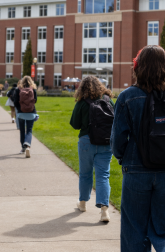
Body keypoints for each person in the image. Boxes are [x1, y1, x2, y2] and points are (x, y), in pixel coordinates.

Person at [111, 45, 165, 252]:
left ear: (137, 67)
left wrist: (125, 157)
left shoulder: (127, 97)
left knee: (134, 230)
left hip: (136, 170)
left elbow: (117, 142)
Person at [70, 76, 115, 222]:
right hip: (106, 142)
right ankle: (104, 211)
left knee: (85, 174)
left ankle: (82, 203)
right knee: (103, 176)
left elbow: (75, 124)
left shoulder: (82, 103)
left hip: (86, 142)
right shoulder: (108, 100)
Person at [13, 76, 37, 158]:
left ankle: (23, 148)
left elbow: (15, 102)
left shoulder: (18, 89)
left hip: (21, 113)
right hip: (31, 112)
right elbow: (35, 100)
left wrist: (20, 109)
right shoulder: (33, 89)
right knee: (29, 130)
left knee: (22, 130)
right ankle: (27, 145)